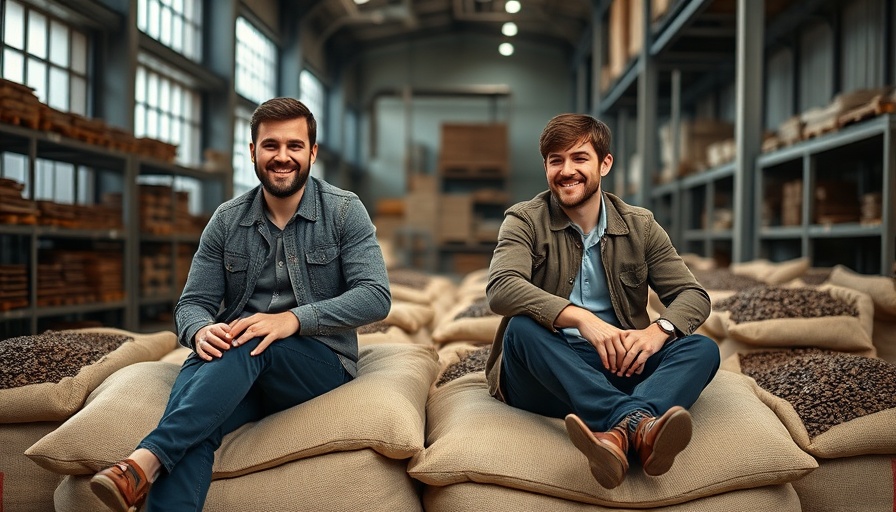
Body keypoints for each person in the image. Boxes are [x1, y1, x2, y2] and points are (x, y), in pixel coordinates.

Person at [89, 97, 391, 511]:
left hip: (317, 364)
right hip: (235, 360)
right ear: (252, 151)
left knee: (247, 338)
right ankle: (149, 471)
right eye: (270, 146)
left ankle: (146, 458)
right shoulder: (227, 220)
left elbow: (375, 295)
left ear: (312, 152)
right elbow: (192, 303)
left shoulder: (343, 211)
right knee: (198, 422)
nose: (282, 157)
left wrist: (292, 320)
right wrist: (200, 330)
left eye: (294, 146)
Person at [484, 113, 719, 489]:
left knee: (702, 349)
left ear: (604, 163)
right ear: (545, 166)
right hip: (545, 373)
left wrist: (658, 331)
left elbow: (692, 295)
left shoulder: (639, 225)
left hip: (619, 365)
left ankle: (618, 435)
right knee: (521, 327)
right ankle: (638, 421)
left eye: (579, 158)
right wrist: (578, 318)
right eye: (555, 160)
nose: (566, 170)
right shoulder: (524, 220)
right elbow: (501, 287)